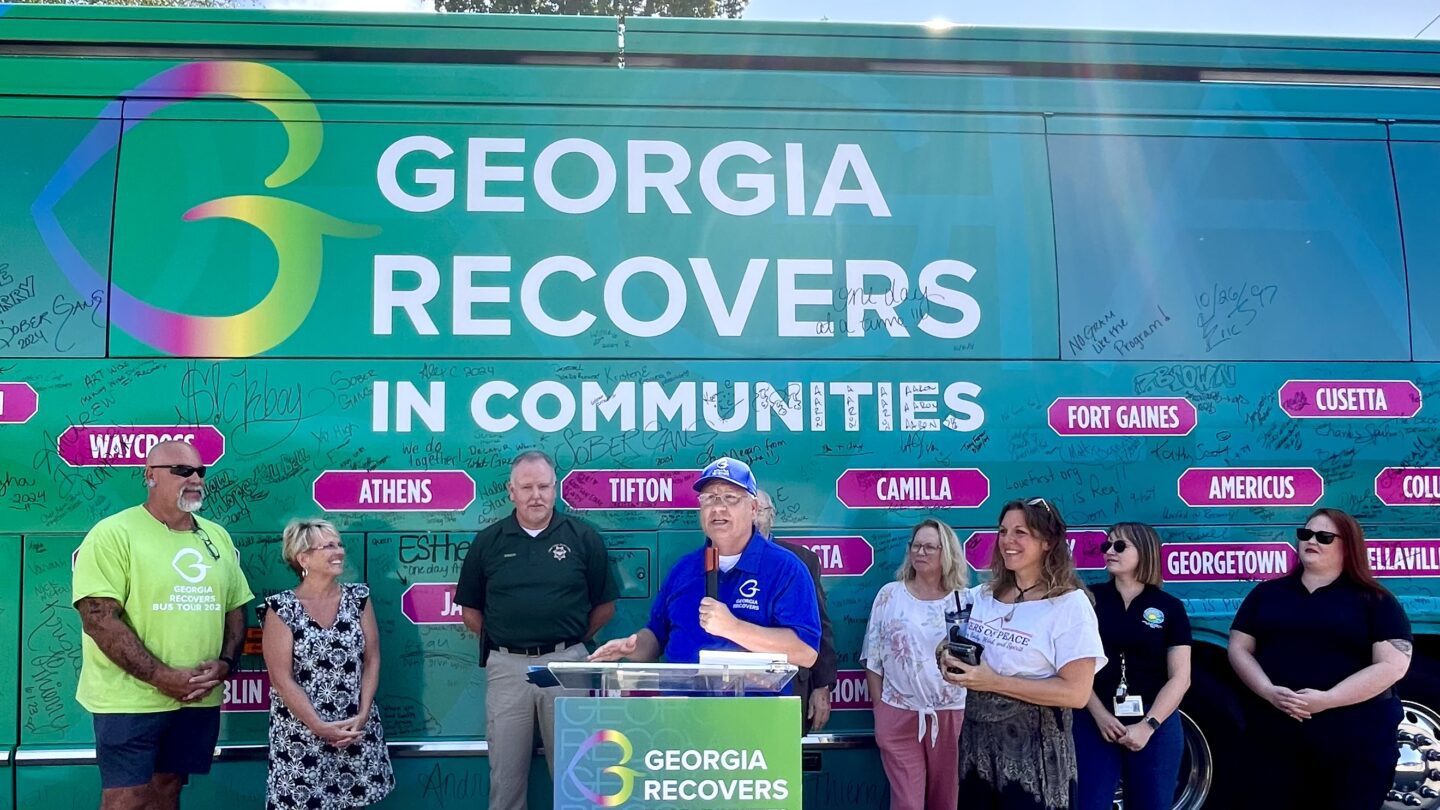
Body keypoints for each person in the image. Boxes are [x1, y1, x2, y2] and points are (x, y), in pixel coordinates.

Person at [71, 439, 253, 810]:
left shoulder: (215, 535)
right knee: (127, 799)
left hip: (196, 697)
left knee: (168, 789)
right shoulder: (113, 533)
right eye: (183, 471)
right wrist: (162, 677)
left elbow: (236, 607)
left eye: (201, 471)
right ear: (150, 476)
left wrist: (225, 664)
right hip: (128, 700)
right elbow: (99, 619)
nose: (196, 479)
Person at [454, 450, 618, 810]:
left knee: (577, 776)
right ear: (511, 491)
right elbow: (471, 611)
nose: (536, 495)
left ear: (555, 488)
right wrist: (510, 644)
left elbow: (605, 606)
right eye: (526, 487)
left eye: (543, 486)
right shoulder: (489, 542)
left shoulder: (582, 537)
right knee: (506, 780)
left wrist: (568, 644)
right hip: (507, 669)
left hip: (567, 665)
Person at [1228, 507, 1412, 810]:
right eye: (1306, 534)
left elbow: (1392, 665)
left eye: (1324, 536)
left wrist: (1328, 699)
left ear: (1348, 546)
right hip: (1277, 736)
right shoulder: (1267, 593)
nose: (1311, 541)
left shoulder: (1376, 599)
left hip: (1356, 740)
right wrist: (1268, 691)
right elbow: (1239, 647)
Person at [940, 497, 1105, 810]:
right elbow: (954, 641)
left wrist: (994, 682)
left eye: (1021, 532)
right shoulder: (984, 595)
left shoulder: (1070, 605)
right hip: (976, 752)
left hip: (1034, 759)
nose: (1008, 541)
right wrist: (947, 657)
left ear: (1047, 542)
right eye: (1003, 531)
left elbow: (1076, 693)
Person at [590, 457, 820, 675]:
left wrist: (733, 628)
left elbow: (805, 651)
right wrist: (632, 648)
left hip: (753, 713)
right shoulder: (684, 569)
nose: (718, 508)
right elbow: (656, 637)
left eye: (730, 497)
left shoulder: (785, 568)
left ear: (753, 509)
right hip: (683, 709)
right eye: (709, 498)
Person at [262, 519, 393, 809]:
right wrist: (319, 726)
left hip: (353, 727)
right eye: (328, 546)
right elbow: (282, 679)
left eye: (339, 544)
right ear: (303, 558)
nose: (339, 552)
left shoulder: (358, 598)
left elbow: (372, 658)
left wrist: (362, 714)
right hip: (300, 735)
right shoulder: (281, 609)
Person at [1074, 523, 1191, 810]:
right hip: (1094, 722)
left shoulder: (1169, 607)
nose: (1109, 552)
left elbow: (1181, 677)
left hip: (1155, 726)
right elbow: (1073, 666)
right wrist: (1100, 716)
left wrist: (1148, 725)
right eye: (1107, 546)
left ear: (1145, 551)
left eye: (1120, 546)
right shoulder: (1087, 600)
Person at [862, 518, 969, 810]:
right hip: (899, 713)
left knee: (947, 801)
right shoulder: (890, 595)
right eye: (916, 546)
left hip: (951, 715)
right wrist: (880, 709)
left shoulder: (965, 601)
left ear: (946, 552)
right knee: (908, 802)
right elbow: (873, 659)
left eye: (930, 547)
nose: (920, 552)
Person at [756, 489, 838, 734]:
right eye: (749, 510)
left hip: (791, 687)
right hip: (737, 690)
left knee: (785, 765)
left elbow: (820, 625)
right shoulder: (720, 559)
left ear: (772, 516)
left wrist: (822, 686)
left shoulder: (801, 560)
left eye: (761, 510)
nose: (755, 518)